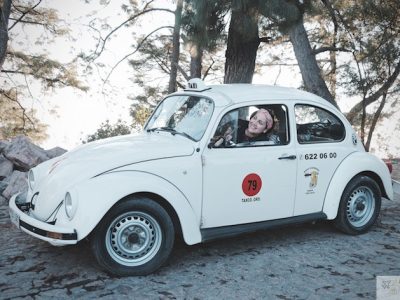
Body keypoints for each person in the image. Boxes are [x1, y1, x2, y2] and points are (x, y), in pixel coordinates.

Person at [214, 108, 280, 147]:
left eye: (260, 122)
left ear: (265, 130)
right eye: (254, 118)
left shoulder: (263, 144)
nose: (254, 123)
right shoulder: (236, 124)